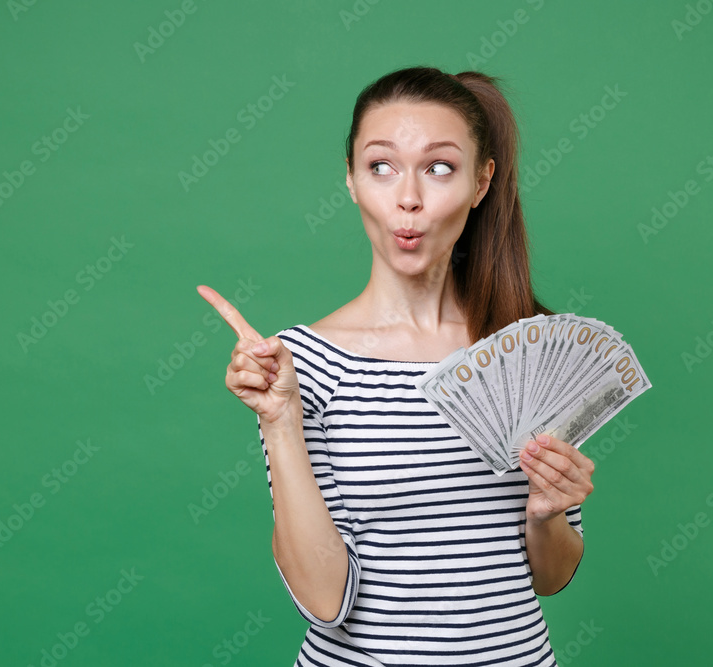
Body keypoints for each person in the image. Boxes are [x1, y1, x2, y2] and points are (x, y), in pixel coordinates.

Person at [196, 65, 595, 666]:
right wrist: (280, 422)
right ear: (352, 180)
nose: (408, 197)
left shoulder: (531, 350)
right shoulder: (301, 364)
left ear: (482, 182)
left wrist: (547, 515)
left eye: (440, 168)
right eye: (381, 166)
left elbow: (552, 575)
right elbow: (325, 600)